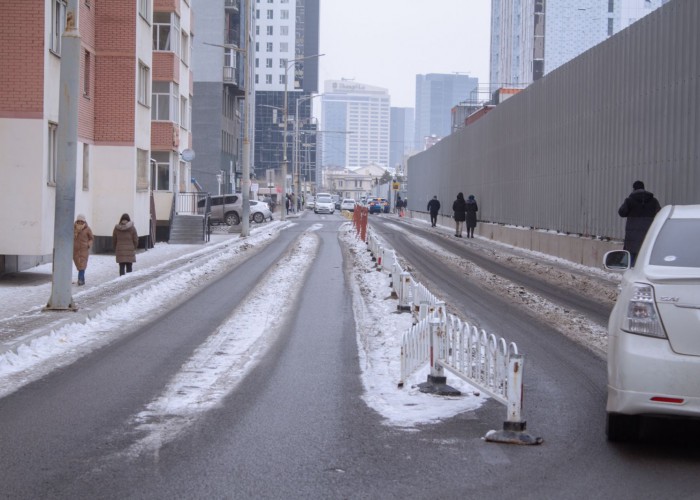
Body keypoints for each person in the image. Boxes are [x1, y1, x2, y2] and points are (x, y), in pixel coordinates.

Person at [618, 180, 661, 265]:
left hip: (632, 237)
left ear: (634, 189)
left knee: (631, 259)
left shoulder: (629, 201)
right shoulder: (653, 201)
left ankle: (631, 274)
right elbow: (659, 213)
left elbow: (621, 212)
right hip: (648, 234)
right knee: (645, 257)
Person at [73, 214, 94, 286]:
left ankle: (80, 280)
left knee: (82, 265)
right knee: (79, 266)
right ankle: (82, 280)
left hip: (84, 250)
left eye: (81, 221)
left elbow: (91, 238)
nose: (80, 222)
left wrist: (88, 244)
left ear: (84, 221)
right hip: (75, 251)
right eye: (78, 221)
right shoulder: (73, 228)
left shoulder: (87, 229)